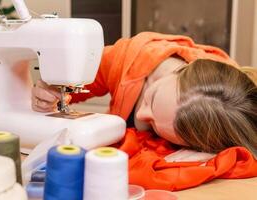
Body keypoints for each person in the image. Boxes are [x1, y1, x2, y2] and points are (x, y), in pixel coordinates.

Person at [32, 32, 257, 190]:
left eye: (156, 127)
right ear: (178, 69)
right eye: (151, 97)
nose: (140, 116)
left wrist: (217, 151)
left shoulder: (229, 105)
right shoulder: (123, 59)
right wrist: (47, 93)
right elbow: (66, 89)